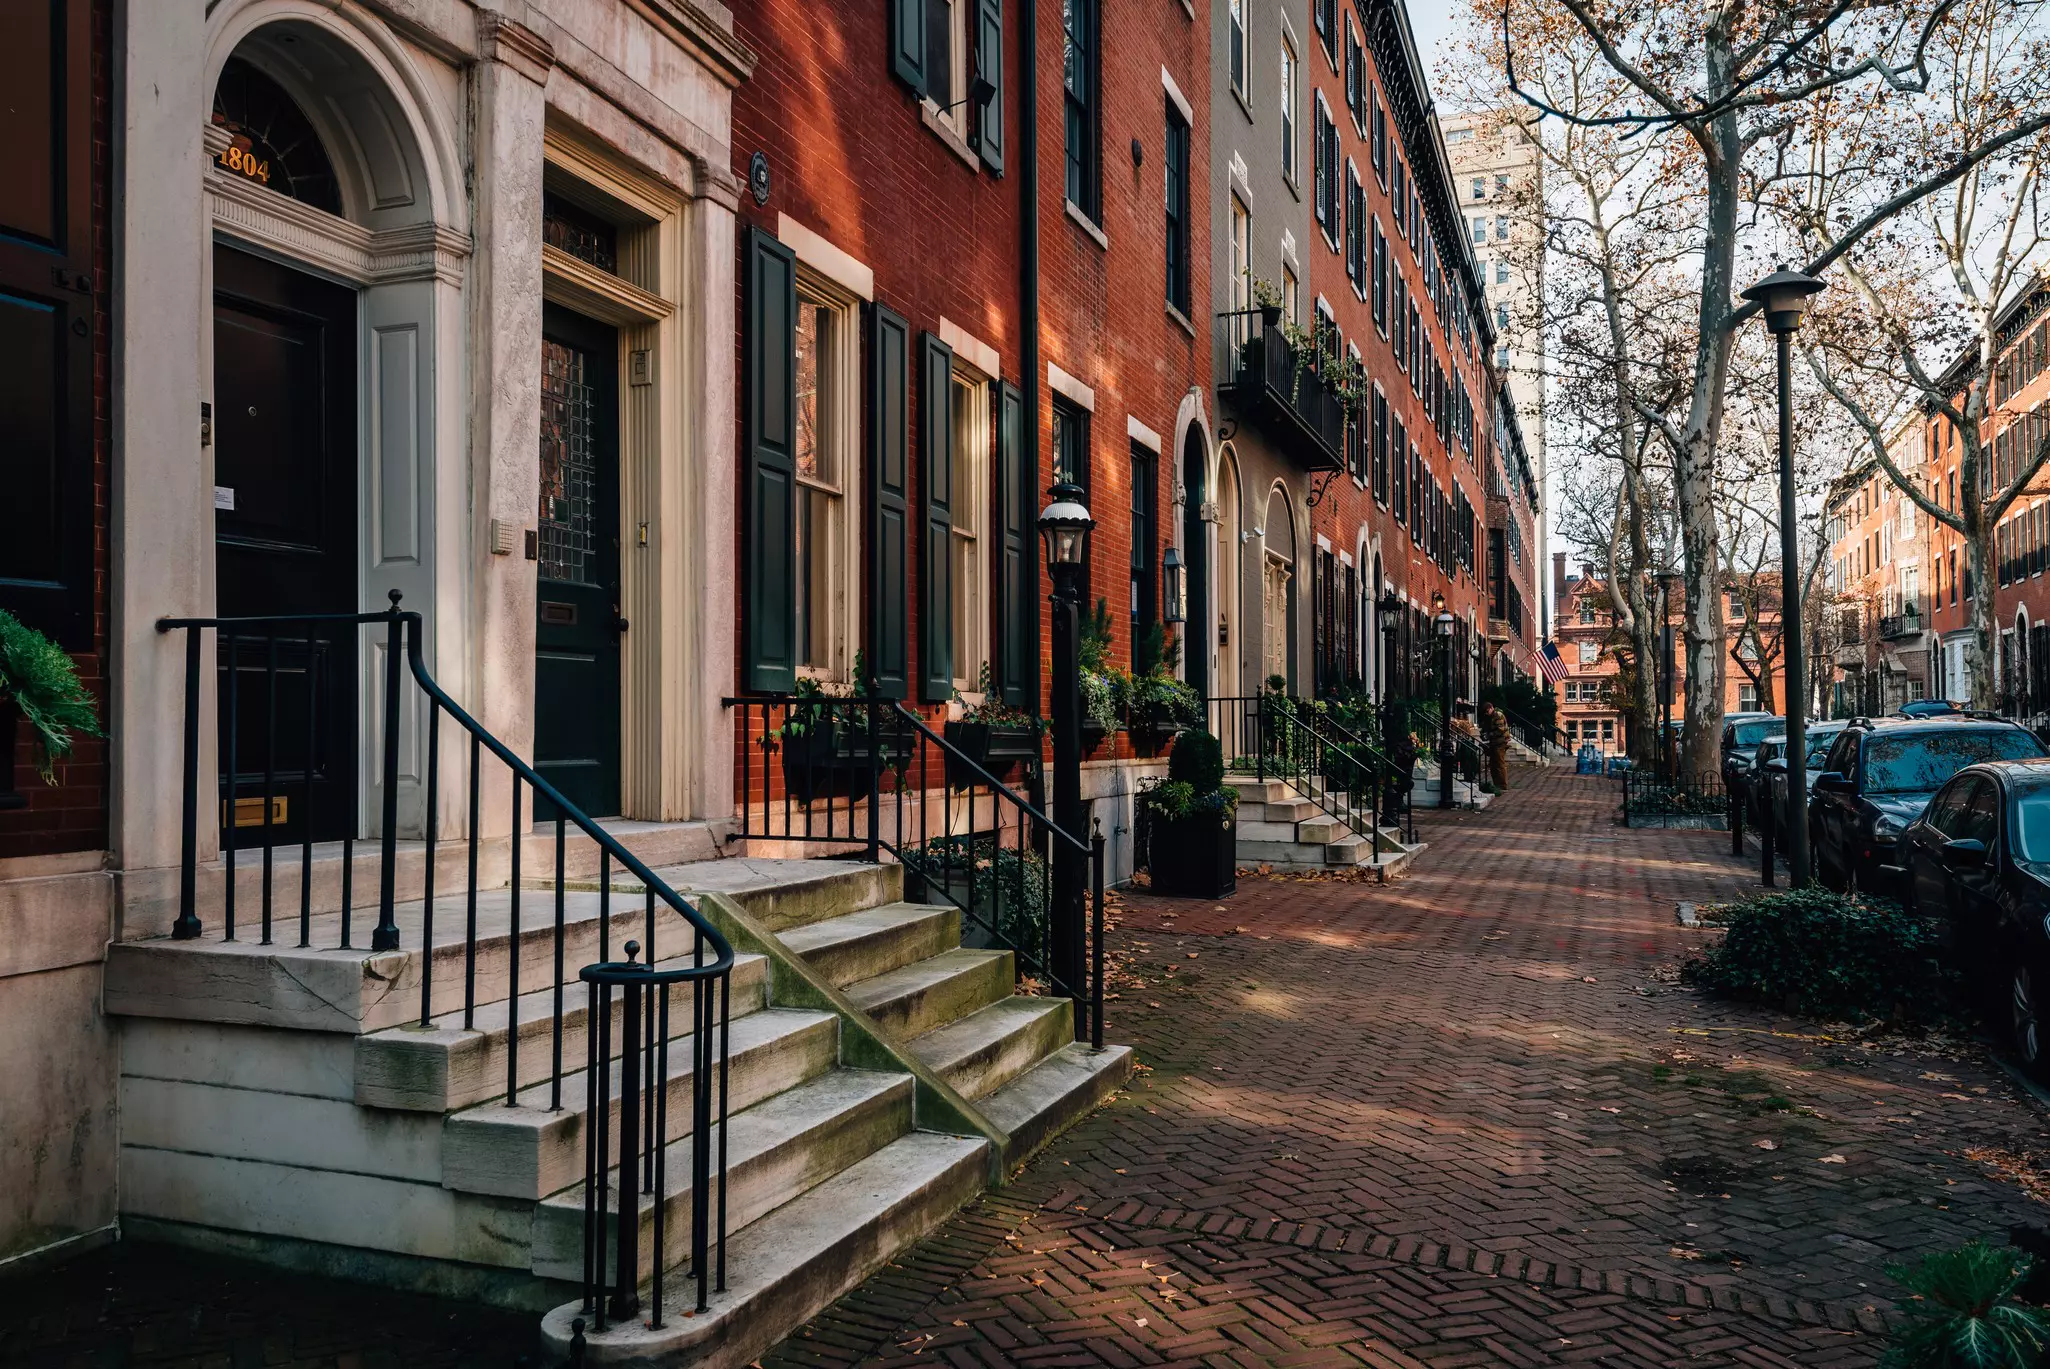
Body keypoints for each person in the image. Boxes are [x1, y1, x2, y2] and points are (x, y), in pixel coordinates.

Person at [1480, 702, 1511, 792]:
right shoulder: (1489, 717)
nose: (1486, 713)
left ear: (1491, 708)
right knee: (1493, 764)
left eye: (1487, 711)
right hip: (1494, 742)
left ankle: (1502, 785)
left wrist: (1489, 735)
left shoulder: (1498, 715)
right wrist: (1483, 733)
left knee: (1500, 763)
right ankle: (1496, 784)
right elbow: (1485, 727)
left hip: (1501, 742)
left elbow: (1500, 730)